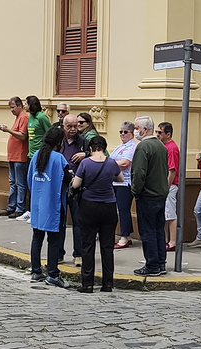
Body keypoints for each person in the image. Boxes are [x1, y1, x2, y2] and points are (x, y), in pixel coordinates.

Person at [72, 135, 123, 293]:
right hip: (108, 206)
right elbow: (120, 179)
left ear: (91, 148)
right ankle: (107, 284)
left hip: (89, 206)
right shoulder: (111, 163)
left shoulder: (85, 163)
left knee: (88, 245)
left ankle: (87, 283)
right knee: (107, 247)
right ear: (105, 148)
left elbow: (76, 184)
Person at [28, 126, 69, 289]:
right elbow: (67, 178)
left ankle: (36, 271)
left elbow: (29, 179)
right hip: (53, 203)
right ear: (59, 142)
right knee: (54, 240)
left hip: (37, 203)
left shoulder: (36, 156)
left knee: (37, 237)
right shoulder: (58, 158)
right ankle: (53, 273)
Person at [130, 115, 169, 275]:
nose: (135, 131)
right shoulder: (161, 146)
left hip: (148, 195)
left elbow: (139, 173)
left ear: (145, 130)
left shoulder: (144, 147)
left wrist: (135, 190)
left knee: (148, 231)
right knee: (159, 229)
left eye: (137, 128)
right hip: (160, 193)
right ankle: (160, 263)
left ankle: (152, 265)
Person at [59, 114, 90, 265]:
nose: (72, 129)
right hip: (61, 185)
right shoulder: (58, 140)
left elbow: (96, 155)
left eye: (75, 126)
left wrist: (86, 154)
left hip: (78, 186)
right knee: (60, 221)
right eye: (69, 126)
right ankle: (59, 253)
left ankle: (78, 254)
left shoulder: (83, 141)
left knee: (78, 222)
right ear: (63, 126)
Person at [21, 95, 53, 222]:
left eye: (26, 103)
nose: (24, 105)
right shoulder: (30, 117)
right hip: (31, 155)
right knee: (30, 183)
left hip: (41, 155)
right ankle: (30, 210)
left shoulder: (41, 117)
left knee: (39, 183)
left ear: (31, 104)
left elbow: (50, 134)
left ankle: (38, 211)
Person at [0, 96, 30, 218]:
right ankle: (12, 207)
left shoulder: (23, 117)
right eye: (10, 108)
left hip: (20, 156)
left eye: (13, 107)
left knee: (19, 183)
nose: (11, 110)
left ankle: (19, 207)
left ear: (19, 106)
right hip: (13, 156)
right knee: (13, 182)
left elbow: (22, 136)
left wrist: (8, 130)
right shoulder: (18, 118)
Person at [110, 121, 138, 249]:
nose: (122, 134)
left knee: (123, 209)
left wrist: (111, 163)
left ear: (132, 133)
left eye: (125, 132)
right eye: (120, 131)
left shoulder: (132, 147)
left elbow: (125, 163)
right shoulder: (120, 146)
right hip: (115, 181)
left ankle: (124, 236)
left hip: (124, 182)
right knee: (119, 209)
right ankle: (126, 235)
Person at [156, 121, 180, 251]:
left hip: (170, 185)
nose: (158, 135)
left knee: (170, 213)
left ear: (168, 134)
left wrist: (166, 186)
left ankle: (172, 242)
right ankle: (165, 240)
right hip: (165, 184)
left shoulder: (171, 148)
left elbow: (173, 170)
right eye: (157, 132)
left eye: (160, 132)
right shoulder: (165, 146)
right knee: (165, 213)